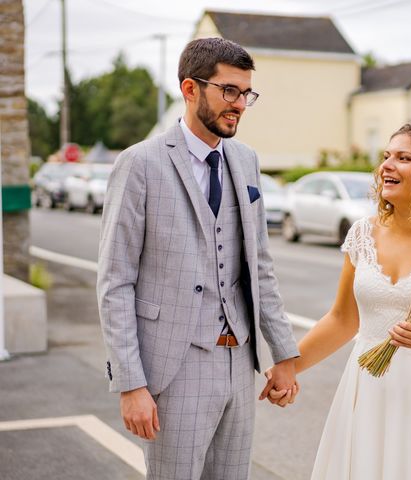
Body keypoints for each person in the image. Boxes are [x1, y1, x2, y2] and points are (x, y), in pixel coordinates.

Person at [97, 37, 299, 480]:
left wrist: (284, 356)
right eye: (229, 91)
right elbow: (115, 282)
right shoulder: (140, 163)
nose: (240, 104)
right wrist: (131, 383)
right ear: (190, 89)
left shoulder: (246, 161)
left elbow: (260, 266)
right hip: (175, 365)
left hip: (239, 362)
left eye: (246, 93)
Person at [265, 124, 411, 479]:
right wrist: (289, 368)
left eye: (403, 158)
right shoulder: (362, 233)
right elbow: (343, 319)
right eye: (386, 156)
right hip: (368, 391)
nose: (387, 166)